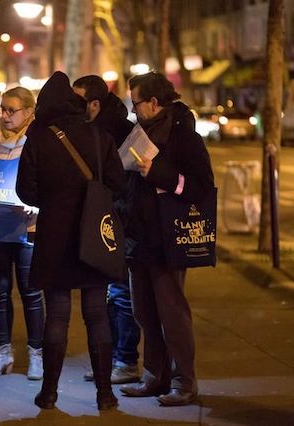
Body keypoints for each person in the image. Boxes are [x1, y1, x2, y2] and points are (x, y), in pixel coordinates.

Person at [17, 71, 126, 411]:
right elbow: (118, 184)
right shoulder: (98, 136)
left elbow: (26, 190)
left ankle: (49, 393)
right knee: (97, 314)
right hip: (92, 234)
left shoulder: (39, 139)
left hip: (54, 236)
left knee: (57, 316)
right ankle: (105, 394)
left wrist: (51, 199)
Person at [120, 72, 214, 406]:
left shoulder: (183, 137)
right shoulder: (139, 132)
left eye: (136, 103)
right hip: (138, 237)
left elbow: (201, 187)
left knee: (172, 314)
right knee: (143, 311)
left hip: (168, 238)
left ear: (154, 102)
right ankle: (153, 376)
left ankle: (183, 382)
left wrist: (157, 173)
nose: (133, 111)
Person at [0, 87, 44, 380]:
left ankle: (35, 355)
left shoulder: (38, 142)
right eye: (3, 109)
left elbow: (50, 182)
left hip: (28, 229)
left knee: (31, 293)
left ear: (29, 112)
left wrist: (36, 206)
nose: (6, 115)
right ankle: (3, 352)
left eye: (12, 110)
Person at [72, 75, 141, 385]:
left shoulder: (118, 133)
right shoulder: (96, 129)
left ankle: (126, 360)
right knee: (109, 294)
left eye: (78, 101)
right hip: (104, 220)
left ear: (94, 105)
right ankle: (112, 359)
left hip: (121, 223)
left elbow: (126, 183)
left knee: (121, 293)